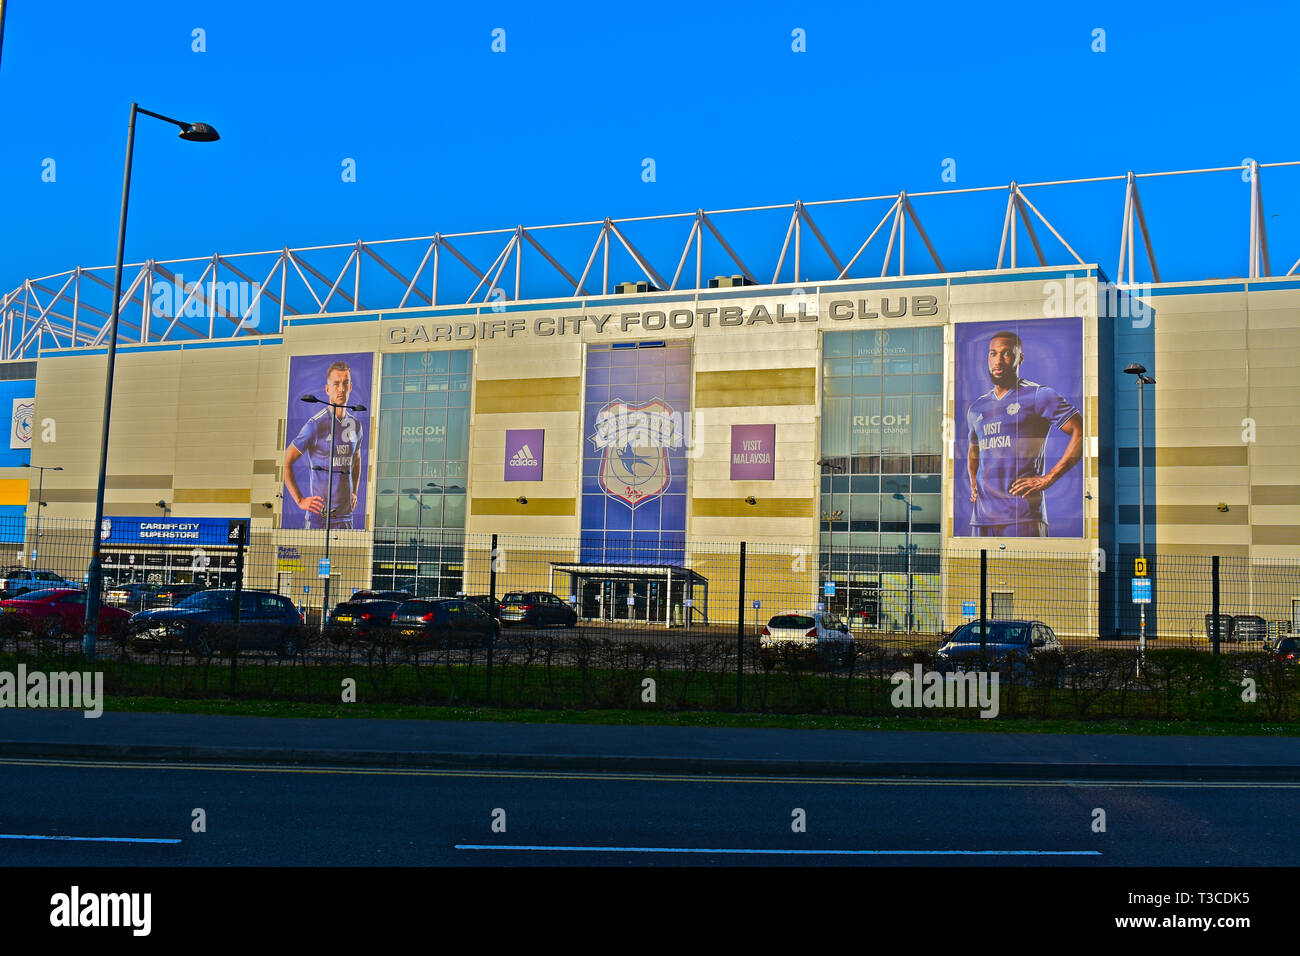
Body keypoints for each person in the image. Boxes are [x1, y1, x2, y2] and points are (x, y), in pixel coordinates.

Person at [965, 330, 1082, 536]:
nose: (998, 360)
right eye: (993, 354)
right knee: (979, 570)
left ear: (1020, 358)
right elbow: (974, 450)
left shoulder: (1039, 395)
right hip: (982, 519)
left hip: (1022, 516)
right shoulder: (977, 407)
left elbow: (1080, 432)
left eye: (1006, 353)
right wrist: (974, 484)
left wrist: (1048, 478)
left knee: (1024, 569)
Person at [283, 360, 363, 530]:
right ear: (328, 389)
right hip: (319, 517)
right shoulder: (315, 424)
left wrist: (354, 491)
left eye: (345, 383)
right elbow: (287, 460)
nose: (341, 389)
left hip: (346, 516)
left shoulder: (356, 425)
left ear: (350, 387)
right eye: (336, 384)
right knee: (314, 557)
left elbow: (356, 460)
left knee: (347, 557)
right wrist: (299, 500)